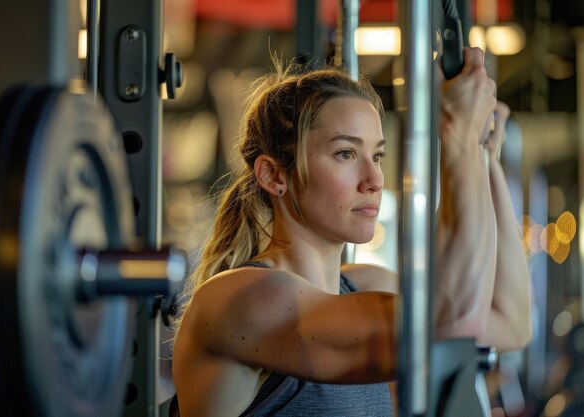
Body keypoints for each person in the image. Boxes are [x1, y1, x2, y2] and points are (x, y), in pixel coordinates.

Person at [170, 47, 532, 417]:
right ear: (275, 175)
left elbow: (509, 322)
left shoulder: (363, 286)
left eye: (377, 156)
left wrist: (483, 154)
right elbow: (449, 324)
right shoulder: (241, 298)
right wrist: (458, 137)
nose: (375, 180)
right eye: (346, 153)